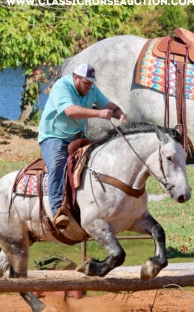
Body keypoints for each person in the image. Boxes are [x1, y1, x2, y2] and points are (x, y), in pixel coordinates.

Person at [38, 63, 127, 227]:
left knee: (98, 160)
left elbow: (107, 104)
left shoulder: (92, 89)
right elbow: (70, 111)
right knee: (58, 164)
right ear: (75, 77)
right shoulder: (61, 87)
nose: (89, 87)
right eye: (86, 83)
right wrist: (99, 113)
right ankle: (57, 211)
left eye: (91, 83)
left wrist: (120, 114)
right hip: (53, 137)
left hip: (78, 136)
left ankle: (96, 204)